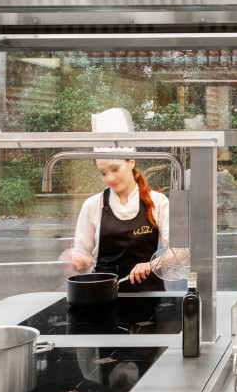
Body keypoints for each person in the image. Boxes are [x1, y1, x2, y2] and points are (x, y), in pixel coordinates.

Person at [63, 108, 170, 293]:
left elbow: (180, 252)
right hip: (103, 297)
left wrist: (151, 264)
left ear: (132, 162)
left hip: (150, 297)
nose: (109, 178)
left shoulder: (158, 202)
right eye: (103, 173)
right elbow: (83, 254)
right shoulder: (92, 205)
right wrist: (77, 260)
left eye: (114, 169)